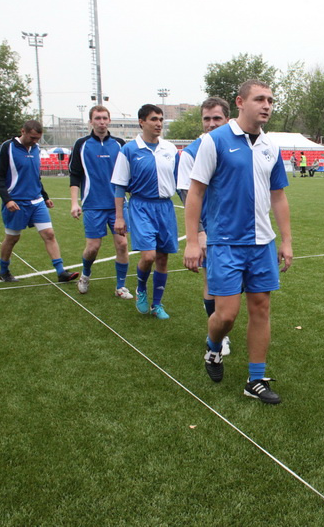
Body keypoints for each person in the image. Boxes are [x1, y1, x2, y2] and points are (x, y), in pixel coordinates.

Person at [185, 79, 293, 404]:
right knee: (226, 316)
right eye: (260, 99)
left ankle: (255, 380)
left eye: (270, 100)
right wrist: (192, 241)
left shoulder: (271, 146)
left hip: (262, 244)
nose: (267, 105)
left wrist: (286, 240)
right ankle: (213, 347)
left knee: (261, 308)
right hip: (225, 242)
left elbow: (278, 196)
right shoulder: (215, 141)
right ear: (241, 102)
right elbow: (195, 193)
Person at [111, 104, 179, 319]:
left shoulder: (170, 149)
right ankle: (141, 289)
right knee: (148, 256)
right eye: (154, 119)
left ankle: (157, 304)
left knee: (163, 258)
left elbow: (180, 182)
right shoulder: (130, 150)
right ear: (142, 122)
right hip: (141, 206)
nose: (159, 123)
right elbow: (119, 185)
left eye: (161, 119)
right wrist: (119, 217)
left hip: (165, 207)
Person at [176, 97, 231, 354]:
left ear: (227, 119)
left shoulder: (239, 146)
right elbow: (187, 194)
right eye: (206, 119)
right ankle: (218, 334)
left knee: (240, 284)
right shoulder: (191, 152)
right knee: (213, 280)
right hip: (211, 229)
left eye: (216, 118)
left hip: (239, 228)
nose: (211, 124)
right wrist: (198, 232)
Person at [0, 120, 79, 283]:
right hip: (16, 202)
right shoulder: (7, 147)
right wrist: (7, 200)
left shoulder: (36, 148)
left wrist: (45, 197)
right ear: (23, 132)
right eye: (32, 138)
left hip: (36, 201)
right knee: (12, 238)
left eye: (37, 139)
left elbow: (35, 176)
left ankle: (61, 272)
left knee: (49, 234)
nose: (34, 141)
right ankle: (3, 271)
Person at [69, 105, 131, 298]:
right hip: (93, 205)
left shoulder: (120, 144)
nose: (101, 122)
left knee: (122, 245)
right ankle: (85, 275)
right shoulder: (82, 144)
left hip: (117, 205)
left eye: (104, 118)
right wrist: (74, 203)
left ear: (109, 120)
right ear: (91, 121)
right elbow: (75, 175)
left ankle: (120, 286)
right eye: (97, 118)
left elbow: (128, 174)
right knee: (93, 247)